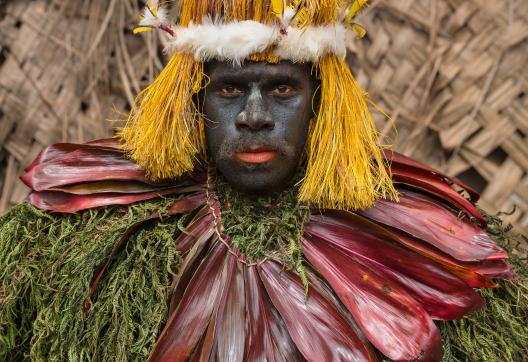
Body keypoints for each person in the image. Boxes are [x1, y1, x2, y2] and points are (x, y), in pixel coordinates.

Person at [1, 1, 526, 361]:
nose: (255, 117)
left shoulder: (422, 230)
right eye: (230, 91)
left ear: (320, 102)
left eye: (281, 89)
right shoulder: (81, 233)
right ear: (193, 102)